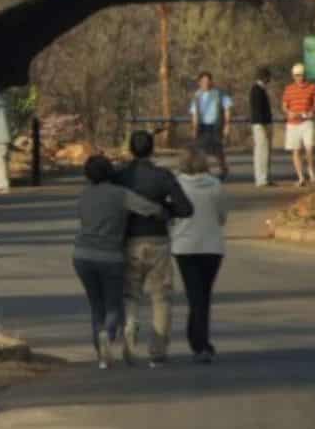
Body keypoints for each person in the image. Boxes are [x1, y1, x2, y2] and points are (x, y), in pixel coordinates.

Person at [74, 154, 169, 369]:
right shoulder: (120, 194)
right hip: (110, 256)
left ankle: (102, 355)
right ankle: (109, 334)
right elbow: (149, 208)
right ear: (110, 172)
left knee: (96, 305)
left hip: (82, 255)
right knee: (113, 305)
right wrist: (165, 212)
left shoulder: (84, 195)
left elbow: (82, 217)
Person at [113, 130, 195, 367]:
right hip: (158, 239)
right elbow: (185, 208)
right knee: (161, 297)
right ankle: (157, 351)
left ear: (130, 150)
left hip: (129, 240)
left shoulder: (120, 177)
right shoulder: (162, 176)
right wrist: (165, 209)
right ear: (152, 149)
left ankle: (129, 332)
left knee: (130, 293)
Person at [170, 148, 231, 363]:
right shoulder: (215, 185)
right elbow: (222, 216)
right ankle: (200, 341)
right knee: (203, 295)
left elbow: (171, 215)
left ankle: (199, 342)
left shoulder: (176, 186)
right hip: (212, 246)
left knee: (195, 295)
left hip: (184, 246)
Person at [282, 63, 315, 186]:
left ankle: (311, 173)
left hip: (306, 122)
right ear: (293, 76)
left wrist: (311, 112)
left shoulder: (313, 87)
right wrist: (289, 113)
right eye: (297, 75)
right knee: (296, 150)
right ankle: (301, 177)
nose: (300, 77)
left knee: (309, 148)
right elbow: (284, 105)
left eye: (301, 75)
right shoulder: (289, 89)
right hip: (293, 123)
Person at [188, 71, 233, 179]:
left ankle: (223, 169)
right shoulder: (197, 96)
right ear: (199, 82)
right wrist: (194, 129)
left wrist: (227, 125)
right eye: (203, 81)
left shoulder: (219, 93)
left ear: (212, 81)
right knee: (201, 150)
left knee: (218, 150)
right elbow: (194, 113)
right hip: (202, 126)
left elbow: (227, 109)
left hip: (216, 125)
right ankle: (205, 171)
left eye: (208, 81)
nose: (206, 83)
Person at [249, 67, 274, 186]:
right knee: (261, 151)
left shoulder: (260, 89)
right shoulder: (257, 89)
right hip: (260, 125)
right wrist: (263, 124)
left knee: (264, 151)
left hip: (262, 123)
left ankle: (265, 177)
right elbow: (257, 109)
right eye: (268, 77)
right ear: (265, 77)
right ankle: (261, 179)